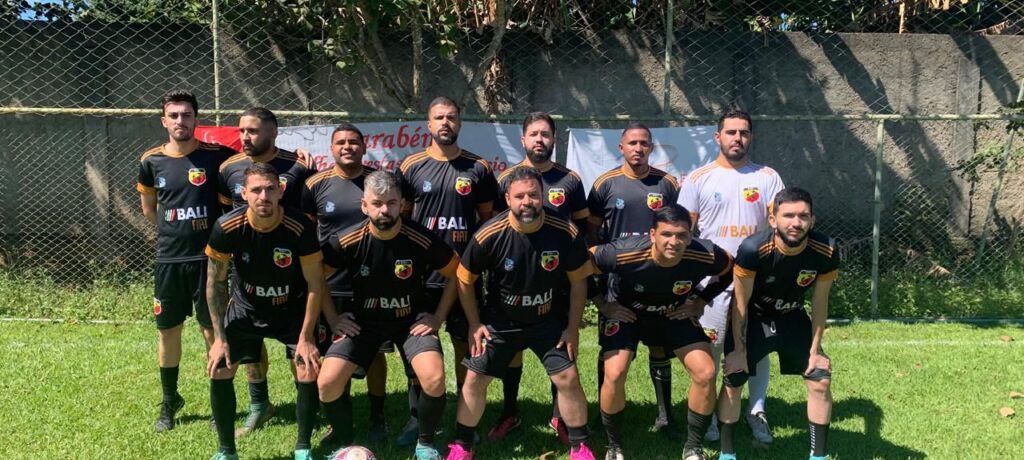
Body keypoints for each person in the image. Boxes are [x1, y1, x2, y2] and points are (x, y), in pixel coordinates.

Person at [446, 167, 596, 460]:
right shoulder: (489, 234)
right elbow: (464, 279)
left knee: (568, 377)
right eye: (519, 196)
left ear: (543, 196)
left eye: (533, 195)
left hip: (547, 321)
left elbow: (579, 282)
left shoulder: (564, 231)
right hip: (501, 323)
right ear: (507, 199)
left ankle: (580, 447)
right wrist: (475, 323)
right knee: (474, 378)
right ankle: (462, 446)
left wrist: (572, 328)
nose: (527, 201)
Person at [318, 170, 457, 460]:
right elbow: (315, 276)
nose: (385, 210)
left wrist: (437, 317)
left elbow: (457, 272)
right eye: (377, 203)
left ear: (402, 204)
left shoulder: (419, 238)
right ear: (364, 206)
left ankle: (426, 444)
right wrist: (332, 318)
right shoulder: (346, 240)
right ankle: (346, 444)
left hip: (410, 322)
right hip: (364, 323)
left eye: (392, 203)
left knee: (434, 378)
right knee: (327, 383)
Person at [204, 163, 330, 460]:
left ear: (280, 191)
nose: (264, 196)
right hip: (246, 309)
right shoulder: (226, 226)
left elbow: (315, 282)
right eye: (257, 190)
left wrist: (306, 337)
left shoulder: (299, 226)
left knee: (307, 366)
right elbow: (215, 283)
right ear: (244, 193)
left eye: (270, 189)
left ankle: (303, 448)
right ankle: (226, 451)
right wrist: (219, 339)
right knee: (219, 366)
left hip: (291, 309)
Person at [590, 203, 733, 460]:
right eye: (666, 234)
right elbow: (580, 265)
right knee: (615, 372)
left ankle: (693, 448)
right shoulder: (624, 252)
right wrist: (603, 304)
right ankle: (614, 446)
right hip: (628, 314)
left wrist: (700, 301)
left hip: (673, 313)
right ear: (653, 234)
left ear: (690, 235)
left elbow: (730, 269)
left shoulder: (706, 253)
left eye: (681, 235)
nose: (674, 242)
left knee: (706, 372)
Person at [677, 109, 786, 444]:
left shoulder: (768, 177)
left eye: (744, 132)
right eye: (731, 132)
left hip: (757, 279)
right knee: (711, 347)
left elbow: (781, 226)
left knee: (756, 348)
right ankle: (709, 413)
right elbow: (684, 233)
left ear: (750, 137)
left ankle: (757, 411)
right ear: (718, 137)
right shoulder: (698, 179)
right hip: (714, 282)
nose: (738, 138)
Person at [395, 96, 498, 445]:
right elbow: (402, 221)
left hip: (465, 277)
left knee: (467, 347)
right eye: (439, 117)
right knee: (419, 348)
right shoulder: (411, 166)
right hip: (421, 278)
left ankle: (465, 420)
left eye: (451, 117)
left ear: (460, 123)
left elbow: (487, 223)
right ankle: (416, 418)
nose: (445, 123)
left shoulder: (478, 168)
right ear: (428, 124)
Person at [215, 107, 319, 436]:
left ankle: (308, 410)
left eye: (253, 131)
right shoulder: (228, 168)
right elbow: (225, 213)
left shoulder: (298, 164)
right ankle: (260, 405)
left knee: (297, 348)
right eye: (241, 131)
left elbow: (310, 213)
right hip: (248, 269)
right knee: (250, 343)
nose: (245, 137)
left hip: (290, 270)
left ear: (273, 132)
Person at [488, 112, 589, 443]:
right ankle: (510, 412)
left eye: (545, 134)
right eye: (533, 134)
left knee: (560, 347)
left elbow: (584, 227)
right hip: (516, 278)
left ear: (554, 139)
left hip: (558, 279)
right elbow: (496, 228)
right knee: (513, 349)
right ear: (523, 139)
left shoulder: (570, 179)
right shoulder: (506, 178)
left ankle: (561, 417)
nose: (539, 140)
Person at [717, 187, 839, 460]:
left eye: (803, 216)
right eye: (788, 216)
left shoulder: (826, 249)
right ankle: (727, 454)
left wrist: (816, 350)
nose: (796, 223)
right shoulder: (752, 249)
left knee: (820, 378)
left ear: (812, 220)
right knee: (734, 377)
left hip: (792, 316)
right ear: (773, 220)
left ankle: (818, 456)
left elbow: (820, 302)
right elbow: (740, 304)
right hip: (754, 315)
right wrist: (738, 351)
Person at [137, 89, 233, 433]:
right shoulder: (150, 161)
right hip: (169, 261)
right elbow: (150, 210)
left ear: (196, 119)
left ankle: (218, 402)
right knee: (168, 331)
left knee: (212, 331)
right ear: (164, 121)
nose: (180, 121)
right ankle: (169, 400)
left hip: (209, 261)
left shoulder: (217, 156)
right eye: (174, 115)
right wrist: (174, 231)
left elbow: (255, 162)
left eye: (186, 115)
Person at [586, 122, 681, 437]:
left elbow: (677, 230)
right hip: (617, 285)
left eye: (644, 143)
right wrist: (600, 285)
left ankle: (665, 415)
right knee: (611, 352)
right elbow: (592, 236)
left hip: (657, 282)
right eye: (632, 143)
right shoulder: (605, 185)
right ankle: (604, 416)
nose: (638, 148)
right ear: (621, 147)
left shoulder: (667, 184)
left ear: (651, 147)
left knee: (659, 347)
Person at [300, 123, 392, 443]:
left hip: (375, 284)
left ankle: (378, 416)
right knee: (335, 351)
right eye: (340, 142)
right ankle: (340, 417)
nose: (347, 147)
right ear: (331, 149)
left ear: (364, 148)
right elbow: (308, 236)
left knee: (376, 352)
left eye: (354, 142)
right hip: (332, 285)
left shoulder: (379, 182)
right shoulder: (315, 185)